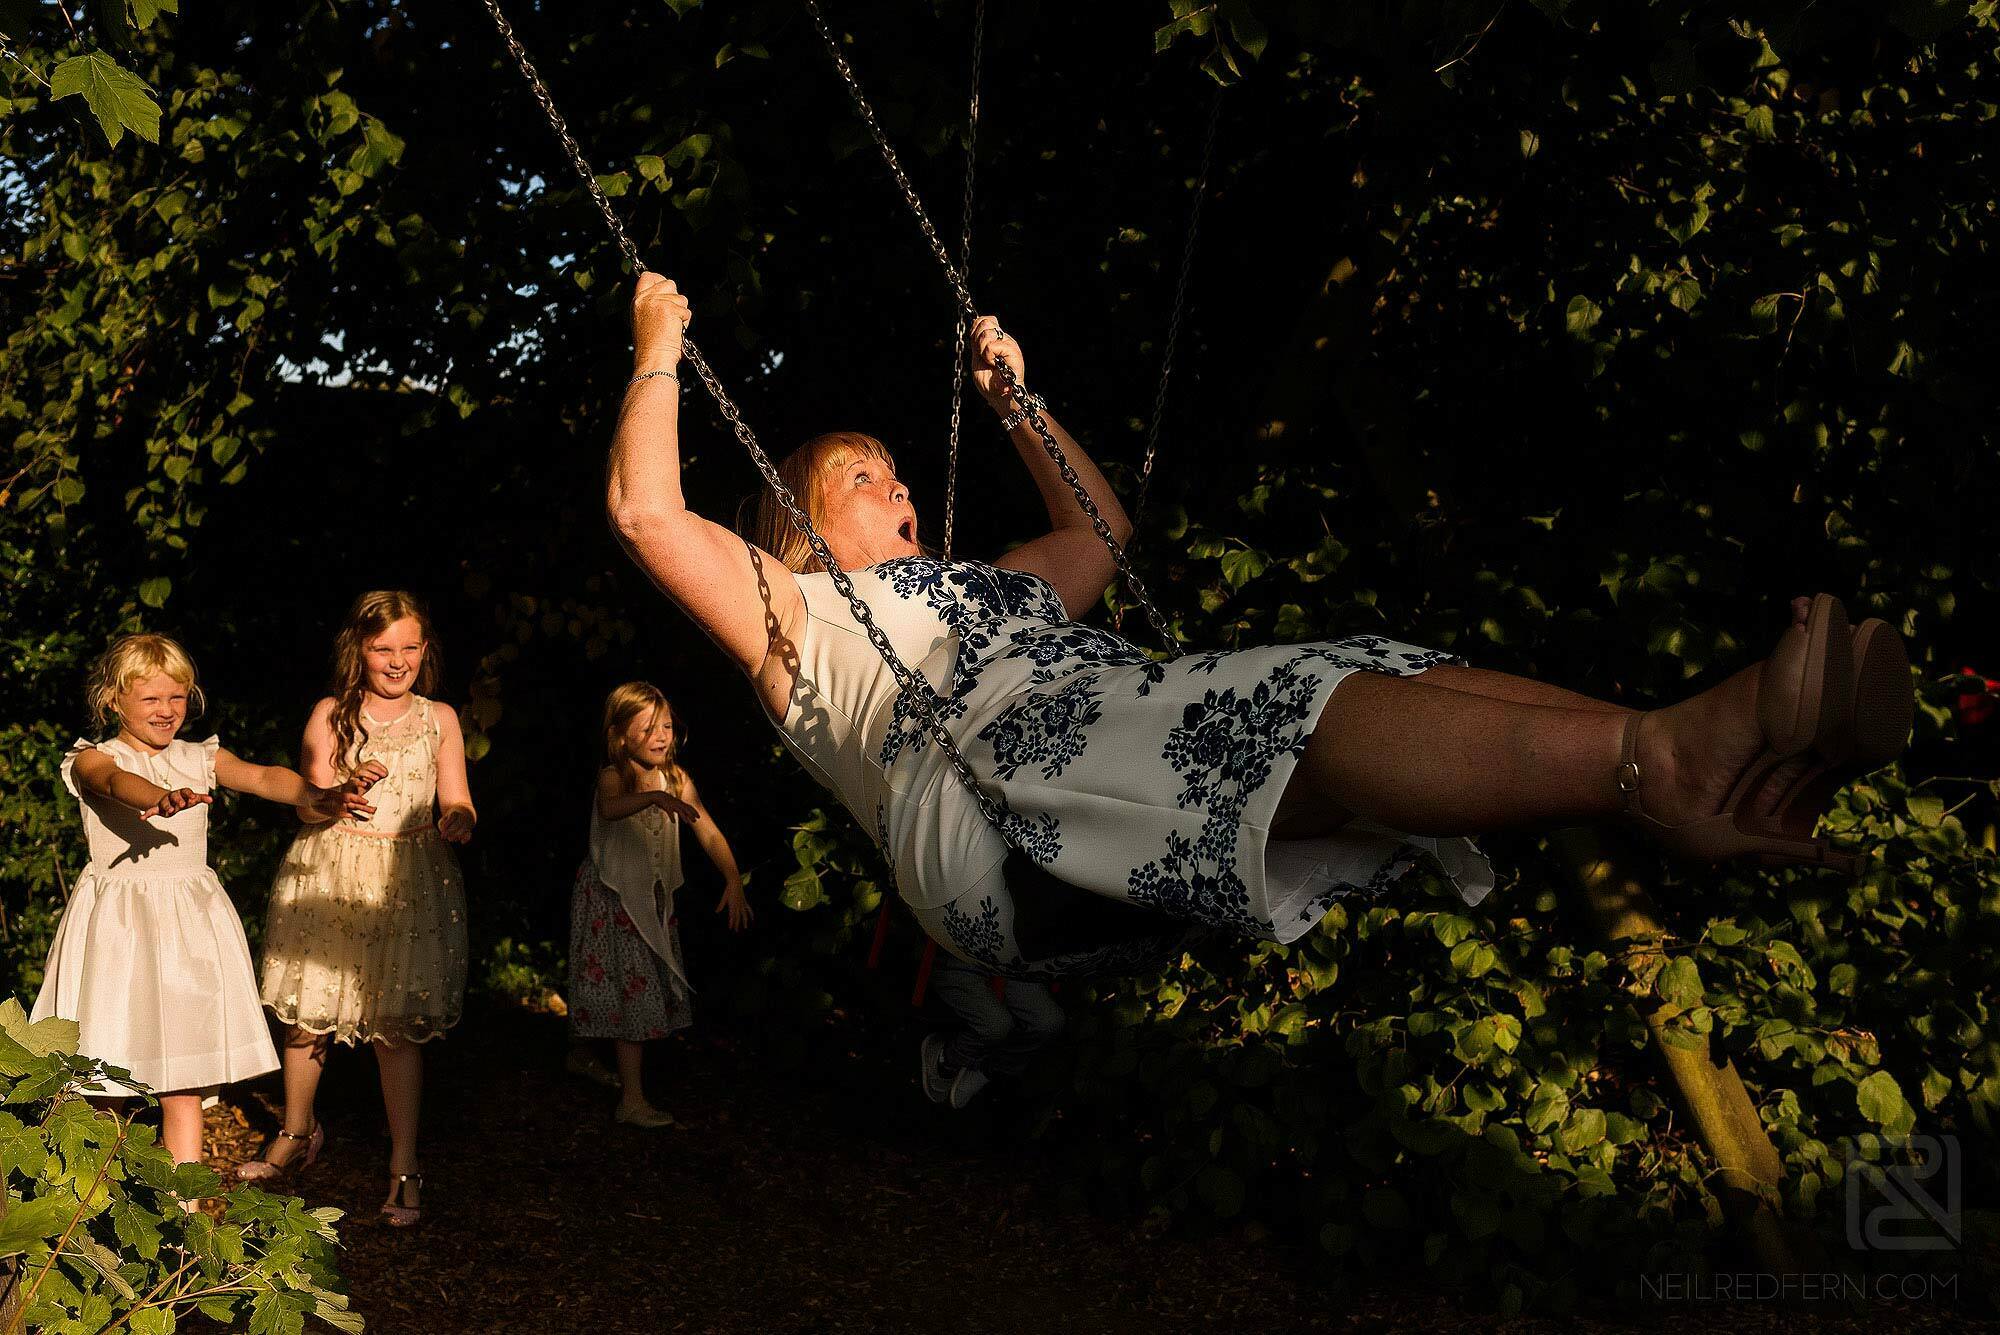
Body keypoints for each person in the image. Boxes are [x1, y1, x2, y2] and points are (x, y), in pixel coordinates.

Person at [603, 274, 1911, 978]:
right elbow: (647, 512)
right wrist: (659, 343)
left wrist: (1018, 406)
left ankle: (1672, 767)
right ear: (798, 523)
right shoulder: (798, 616)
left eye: (898, 471)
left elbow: (1099, 535)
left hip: (1103, 734)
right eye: (860, 475)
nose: (895, 486)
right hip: (989, 814)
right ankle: (1666, 761)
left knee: (1369, 673)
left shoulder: (989, 585)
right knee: (1276, 712)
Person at [35, 633, 373, 1170]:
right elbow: (114, 782)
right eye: (151, 698)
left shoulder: (199, 757)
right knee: (101, 1076)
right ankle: (92, 1197)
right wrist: (159, 797)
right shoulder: (93, 757)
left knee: (182, 1079)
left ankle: (184, 1203)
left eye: (177, 697)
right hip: (119, 931)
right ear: (113, 699)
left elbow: (263, 777)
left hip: (186, 929)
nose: (167, 710)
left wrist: (323, 796)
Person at [242, 591, 475, 1229]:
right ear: (359, 650)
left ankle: (405, 1163)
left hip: (406, 880)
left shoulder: (439, 718)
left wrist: (458, 819)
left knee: (396, 1030)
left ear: (425, 650)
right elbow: (306, 801)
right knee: (310, 1014)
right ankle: (296, 1131)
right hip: (332, 873)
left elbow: (457, 796)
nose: (397, 661)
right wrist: (341, 792)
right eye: (383, 649)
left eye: (409, 647)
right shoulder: (332, 713)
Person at [566, 682, 751, 1128]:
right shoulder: (615, 776)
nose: (661, 736)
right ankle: (630, 1099)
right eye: (648, 728)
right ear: (620, 736)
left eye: (666, 726)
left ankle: (587, 1056)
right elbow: (610, 808)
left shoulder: (677, 780)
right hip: (613, 899)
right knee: (626, 992)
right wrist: (651, 797)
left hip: (649, 900)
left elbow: (706, 829)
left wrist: (732, 877)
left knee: (632, 990)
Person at [920, 955, 1065, 1109]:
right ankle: (948, 1059)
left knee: (1049, 1021)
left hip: (1013, 961)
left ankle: (988, 1067)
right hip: (964, 953)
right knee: (997, 1025)